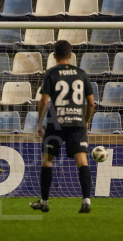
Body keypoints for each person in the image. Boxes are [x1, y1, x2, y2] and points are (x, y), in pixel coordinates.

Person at [30, 40, 95, 213]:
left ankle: (44, 201)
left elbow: (44, 100)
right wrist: (86, 120)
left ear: (53, 55)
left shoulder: (51, 73)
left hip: (56, 122)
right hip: (77, 123)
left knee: (47, 161)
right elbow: (91, 103)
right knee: (82, 161)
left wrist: (39, 122)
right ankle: (86, 201)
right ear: (70, 55)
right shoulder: (81, 73)